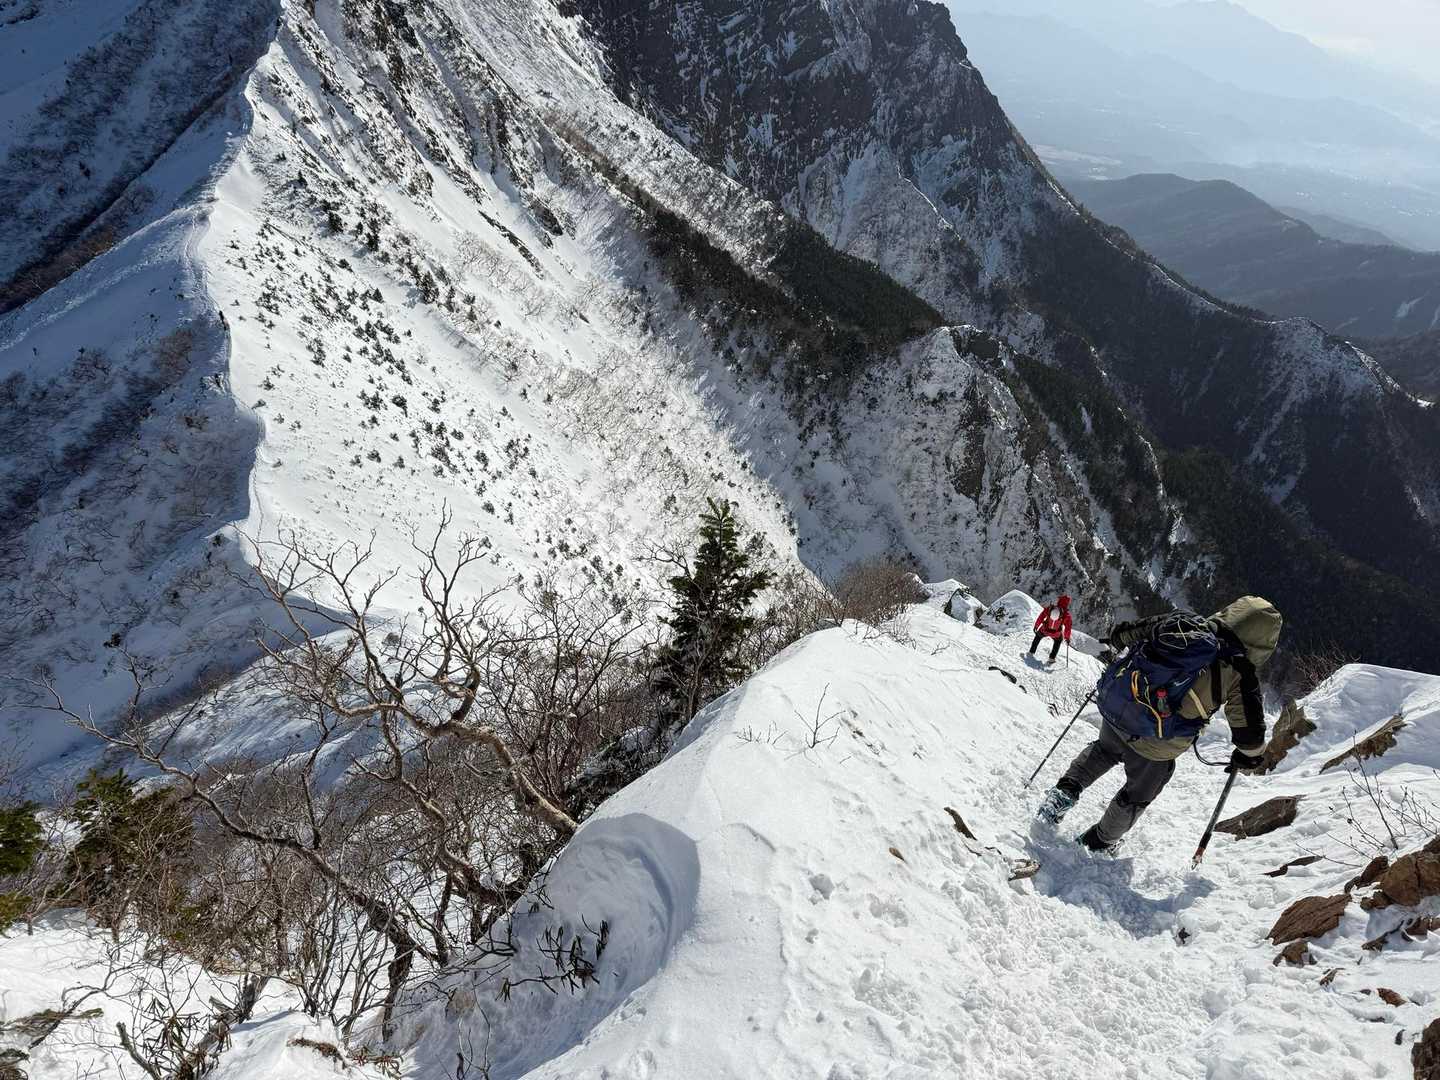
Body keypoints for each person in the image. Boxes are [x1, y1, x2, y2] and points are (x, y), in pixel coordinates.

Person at [1036, 596, 1282, 854]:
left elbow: (1123, 634)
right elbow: (1250, 736)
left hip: (1120, 709)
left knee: (1102, 751)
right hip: (1158, 743)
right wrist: (1250, 756)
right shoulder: (1239, 669)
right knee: (1138, 793)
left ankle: (1061, 795)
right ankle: (1098, 842)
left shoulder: (1182, 622)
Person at [1030, 595, 1072, 663]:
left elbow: (1041, 617)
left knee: (1038, 636)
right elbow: (1068, 628)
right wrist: (1067, 638)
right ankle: (1051, 658)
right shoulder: (1066, 615)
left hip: (1044, 630)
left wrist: (1036, 626)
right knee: (1058, 641)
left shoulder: (1050, 609)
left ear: (1059, 601)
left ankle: (1031, 651)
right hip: (1056, 633)